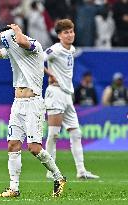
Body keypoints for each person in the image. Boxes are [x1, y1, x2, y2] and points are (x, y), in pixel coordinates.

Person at [0, 24, 66, 198]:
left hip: (33, 103)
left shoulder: (35, 46)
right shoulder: (12, 50)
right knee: (12, 144)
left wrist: (17, 30)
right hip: (17, 104)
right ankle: (14, 188)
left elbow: (21, 41)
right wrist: (0, 36)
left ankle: (59, 177)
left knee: (34, 148)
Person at [44, 19, 99, 180]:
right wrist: (50, 74)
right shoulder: (54, 49)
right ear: (59, 35)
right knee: (54, 134)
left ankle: (81, 171)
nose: (70, 35)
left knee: (76, 133)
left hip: (68, 95)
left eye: (71, 31)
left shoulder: (72, 49)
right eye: (66, 32)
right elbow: (37, 60)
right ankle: (50, 169)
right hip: (55, 94)